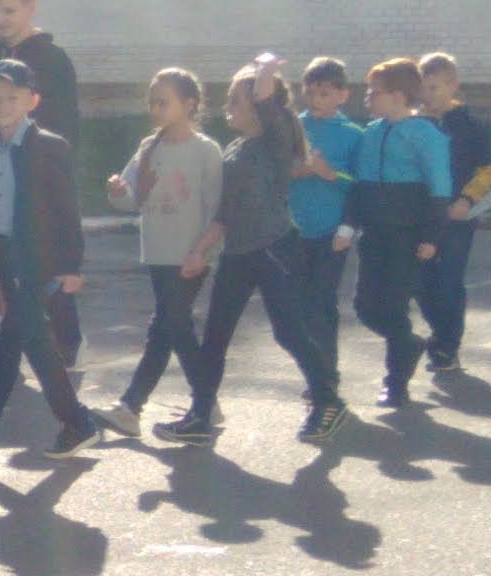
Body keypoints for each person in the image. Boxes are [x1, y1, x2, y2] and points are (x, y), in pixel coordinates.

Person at [185, 65, 347, 440]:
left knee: (289, 333)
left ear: (258, 106)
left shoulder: (274, 140)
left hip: (275, 249)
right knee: (215, 335)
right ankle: (199, 417)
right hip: (238, 252)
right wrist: (200, 250)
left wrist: (265, 65)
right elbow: (225, 212)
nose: (228, 107)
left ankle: (328, 401)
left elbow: (266, 98)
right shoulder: (235, 148)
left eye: (235, 101)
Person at [0, 56, 96, 463]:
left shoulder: (49, 147)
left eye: (12, 97)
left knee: (5, 351)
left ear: (32, 100)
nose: (2, 105)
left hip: (39, 263)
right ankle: (78, 423)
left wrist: (71, 267)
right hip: (4, 259)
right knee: (34, 346)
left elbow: (67, 210)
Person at [0, 0, 82, 374]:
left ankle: (65, 341)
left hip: (37, 178)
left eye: (10, 11)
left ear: (31, 7)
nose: (2, 19)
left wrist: (53, 169)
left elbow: (66, 122)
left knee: (43, 263)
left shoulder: (52, 59)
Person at [101, 68, 224, 432]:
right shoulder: (148, 147)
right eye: (152, 103)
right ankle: (206, 404)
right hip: (157, 252)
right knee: (176, 329)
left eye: (163, 103)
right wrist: (116, 191)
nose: (156, 110)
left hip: (190, 256)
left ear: (189, 105)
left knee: (165, 328)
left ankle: (131, 406)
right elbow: (131, 199)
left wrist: (202, 251)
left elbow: (217, 208)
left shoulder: (205, 151)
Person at [346, 56, 452, 409]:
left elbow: (439, 187)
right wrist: (349, 224)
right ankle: (409, 344)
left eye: (374, 91)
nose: (368, 97)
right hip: (374, 234)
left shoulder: (426, 134)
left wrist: (432, 236)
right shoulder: (371, 133)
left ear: (397, 96)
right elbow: (359, 184)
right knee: (365, 306)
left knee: (393, 306)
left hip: (407, 236)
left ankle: (395, 383)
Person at [417, 53, 491, 376]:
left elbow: (486, 170)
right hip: (422, 217)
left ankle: (447, 345)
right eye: (423, 88)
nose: (427, 95)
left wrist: (467, 200)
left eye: (434, 88)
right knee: (421, 281)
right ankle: (440, 330)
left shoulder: (469, 126)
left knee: (450, 279)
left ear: (452, 86)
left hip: (456, 217)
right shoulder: (414, 124)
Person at [288, 57, 367, 398]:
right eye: (310, 93)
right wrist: (295, 170)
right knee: (300, 304)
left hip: (332, 232)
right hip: (294, 229)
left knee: (322, 300)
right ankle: (313, 370)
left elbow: (360, 186)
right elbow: (278, 169)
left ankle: (327, 373)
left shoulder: (354, 135)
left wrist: (328, 173)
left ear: (342, 95)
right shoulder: (295, 127)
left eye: (324, 93)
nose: (316, 100)